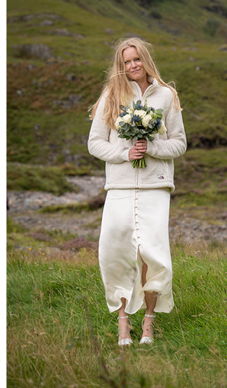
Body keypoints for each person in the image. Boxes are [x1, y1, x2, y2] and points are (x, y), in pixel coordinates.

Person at [87, 36, 186, 346]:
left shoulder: (167, 96)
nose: (132, 65)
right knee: (114, 252)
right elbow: (95, 143)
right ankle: (122, 323)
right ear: (121, 65)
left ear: (145, 60)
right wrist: (124, 154)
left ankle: (148, 322)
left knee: (152, 255)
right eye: (126, 61)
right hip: (119, 185)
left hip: (155, 186)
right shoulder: (111, 95)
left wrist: (152, 147)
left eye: (136, 59)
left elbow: (179, 143)